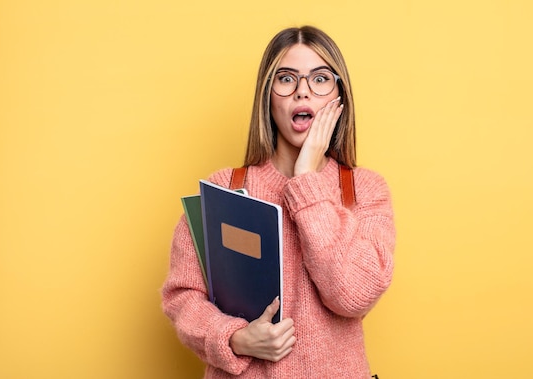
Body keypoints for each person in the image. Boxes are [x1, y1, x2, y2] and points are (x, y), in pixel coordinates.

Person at [162, 25, 396, 378]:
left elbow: (352, 295)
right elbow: (182, 297)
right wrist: (235, 338)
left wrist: (307, 181)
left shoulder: (364, 190)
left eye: (319, 79)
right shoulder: (224, 187)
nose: (303, 92)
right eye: (286, 79)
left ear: (338, 95)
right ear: (267, 95)